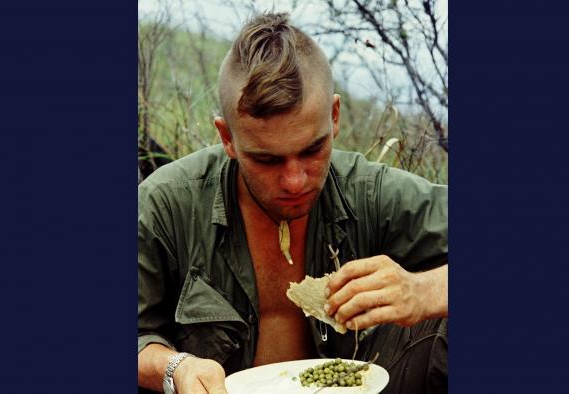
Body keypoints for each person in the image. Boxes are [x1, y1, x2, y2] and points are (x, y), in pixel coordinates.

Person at [138, 12, 448, 394]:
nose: (295, 180)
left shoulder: (371, 191)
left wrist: (424, 291)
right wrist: (174, 369)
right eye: (267, 160)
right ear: (227, 137)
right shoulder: (166, 204)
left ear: (334, 117)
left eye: (313, 150)